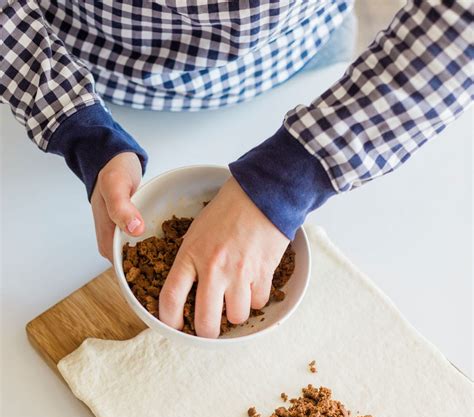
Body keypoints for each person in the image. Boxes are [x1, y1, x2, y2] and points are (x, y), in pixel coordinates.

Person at [1, 1, 471, 339]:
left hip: (301, 54)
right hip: (81, 65)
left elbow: (459, 22)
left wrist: (288, 176)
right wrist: (81, 130)